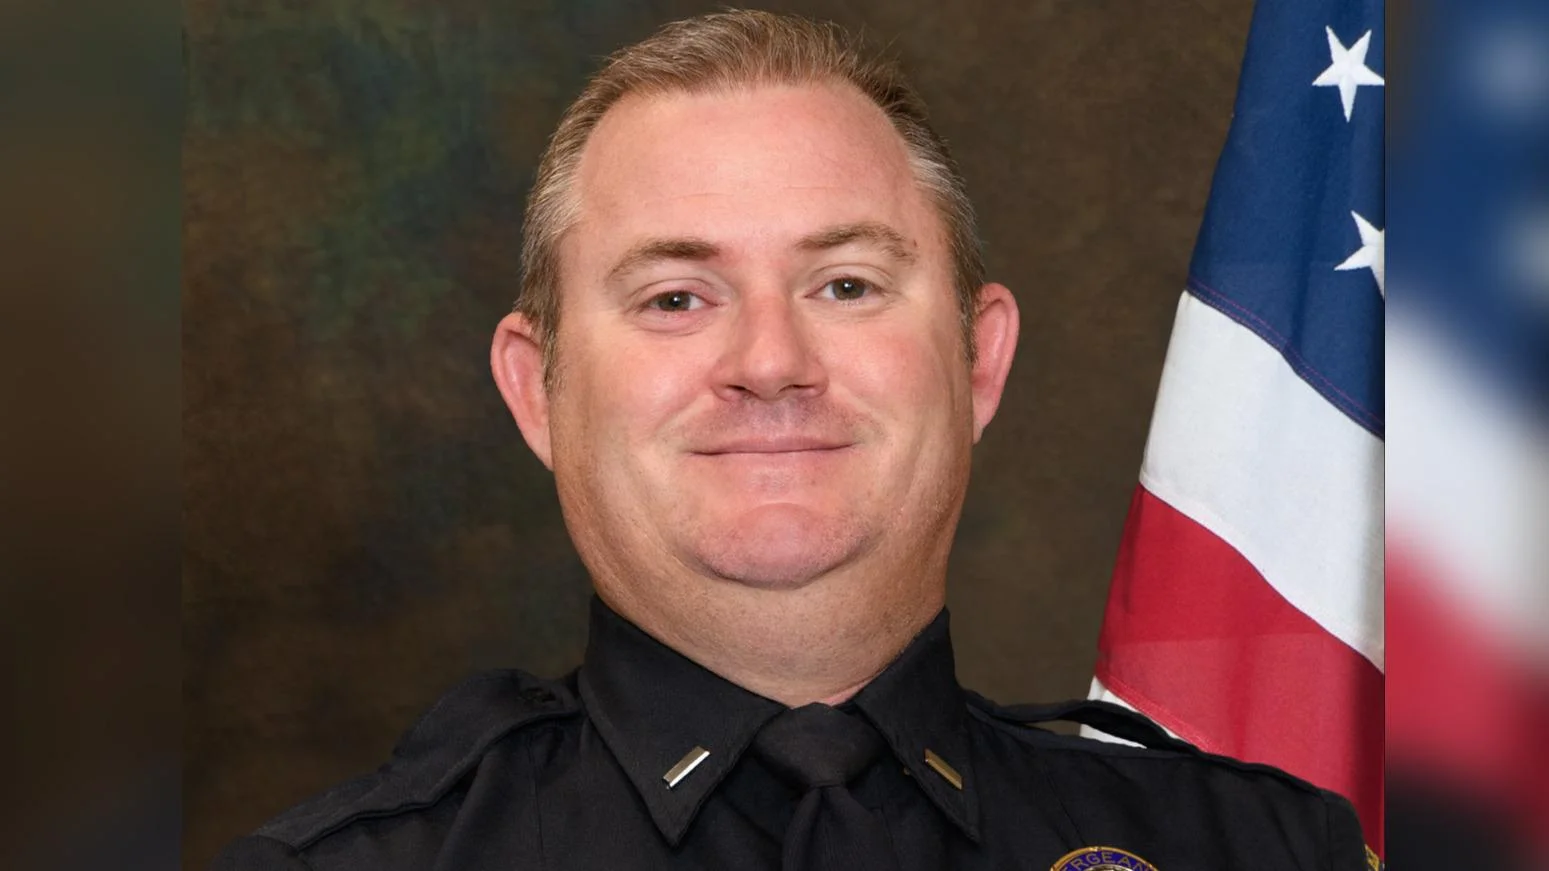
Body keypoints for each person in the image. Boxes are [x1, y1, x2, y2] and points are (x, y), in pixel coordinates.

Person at [213, 9, 1374, 870]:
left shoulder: (1266, 851)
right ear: (537, 390)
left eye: (845, 284)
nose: (769, 362)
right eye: (675, 297)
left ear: (977, 360)